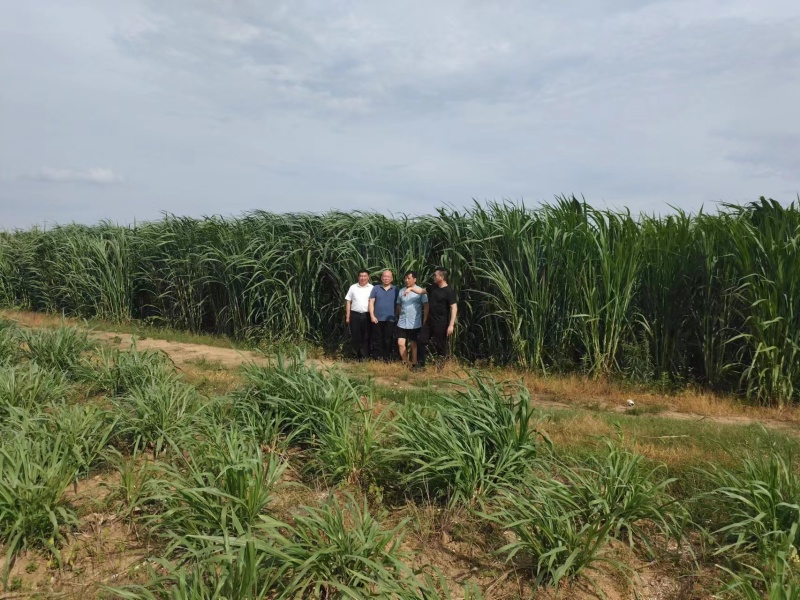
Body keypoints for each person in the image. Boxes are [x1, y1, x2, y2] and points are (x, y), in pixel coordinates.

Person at [414, 267, 457, 369]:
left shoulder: (449, 291)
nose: (434, 277)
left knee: (440, 345)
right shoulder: (433, 287)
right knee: (421, 339)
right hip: (430, 321)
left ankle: (440, 368)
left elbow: (454, 308)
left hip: (441, 322)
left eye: (435, 275)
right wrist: (411, 288)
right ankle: (421, 365)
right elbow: (421, 291)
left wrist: (451, 325)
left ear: (441, 277)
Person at [395, 271, 429, 369]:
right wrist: (397, 314)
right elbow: (399, 304)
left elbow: (426, 305)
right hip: (402, 321)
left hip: (415, 322)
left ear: (414, 279)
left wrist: (425, 320)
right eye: (405, 278)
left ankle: (414, 364)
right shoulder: (401, 291)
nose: (406, 280)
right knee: (400, 343)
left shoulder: (420, 291)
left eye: (409, 278)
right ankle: (405, 362)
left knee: (414, 343)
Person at [368, 269, 399, 362]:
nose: (386, 278)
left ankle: (387, 358)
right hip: (377, 319)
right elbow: (371, 302)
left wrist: (397, 315)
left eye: (388, 276)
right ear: (381, 278)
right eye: (384, 276)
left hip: (391, 319)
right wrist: (372, 316)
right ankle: (377, 358)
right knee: (377, 339)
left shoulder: (396, 289)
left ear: (392, 278)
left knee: (388, 339)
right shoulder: (376, 288)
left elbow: (398, 305)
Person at [344, 269, 373, 360]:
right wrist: (348, 316)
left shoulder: (372, 288)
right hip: (355, 315)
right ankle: (356, 356)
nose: (363, 278)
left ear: (368, 277)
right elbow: (348, 301)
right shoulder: (353, 287)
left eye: (365, 276)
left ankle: (364, 357)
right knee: (356, 336)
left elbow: (374, 302)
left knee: (366, 335)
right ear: (358, 277)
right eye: (361, 276)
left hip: (367, 315)